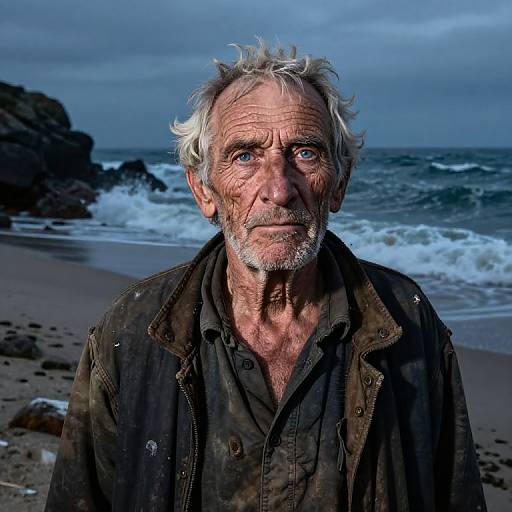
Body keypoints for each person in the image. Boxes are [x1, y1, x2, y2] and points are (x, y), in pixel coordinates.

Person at [45, 41, 486, 511]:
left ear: (339, 182)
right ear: (203, 191)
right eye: (244, 157)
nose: (278, 189)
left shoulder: (408, 326)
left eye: (305, 153)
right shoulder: (132, 334)